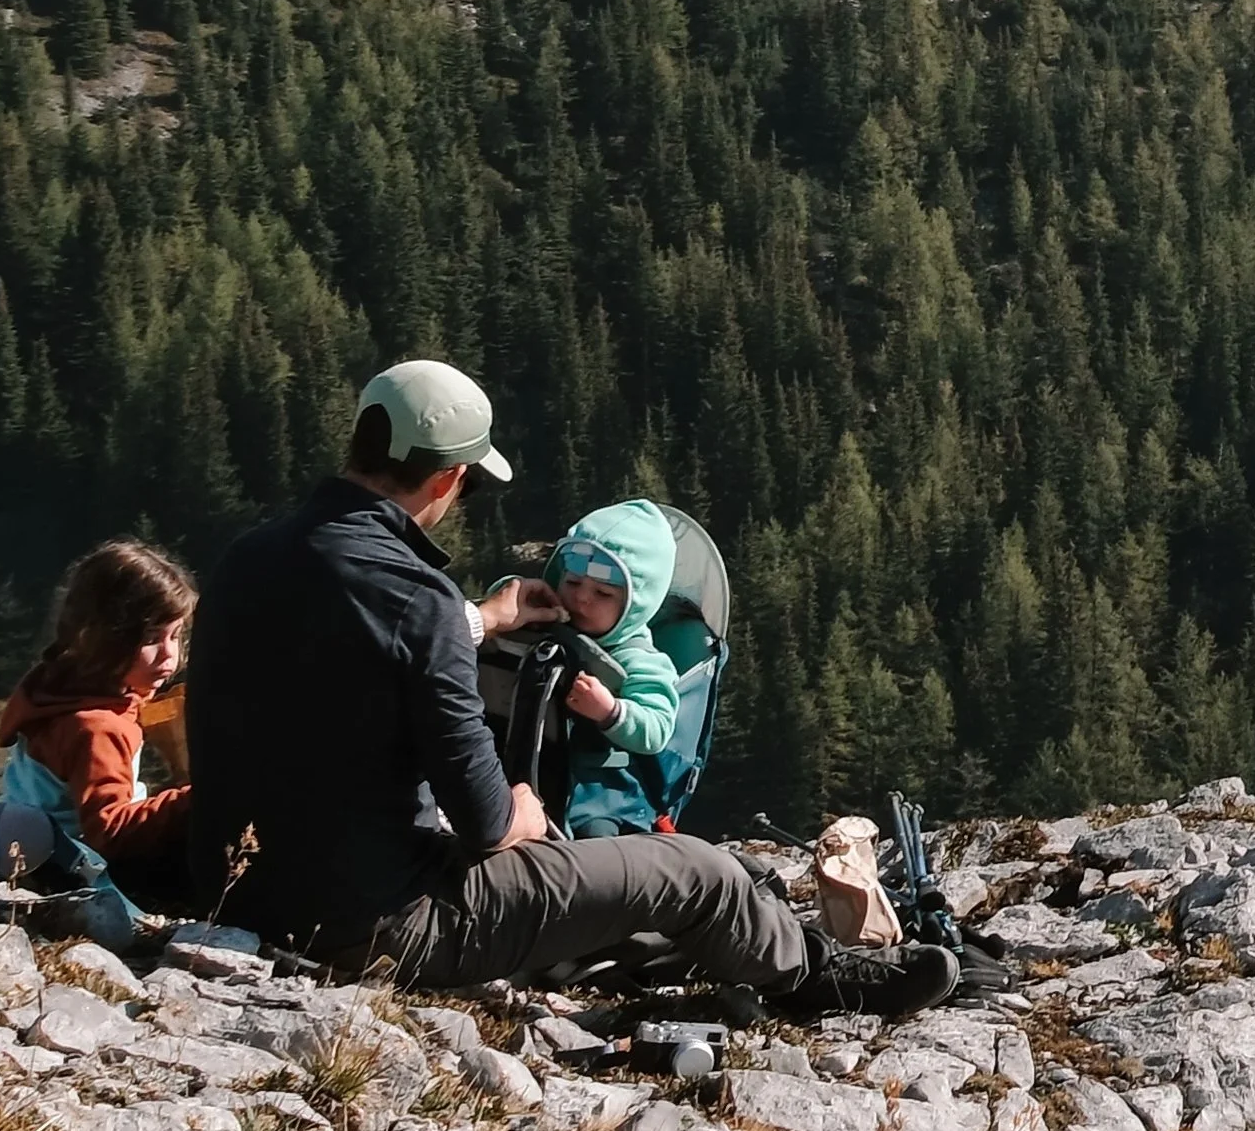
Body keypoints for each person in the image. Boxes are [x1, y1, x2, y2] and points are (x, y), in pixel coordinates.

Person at [188, 357, 956, 1015]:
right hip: (380, 924)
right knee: (700, 870)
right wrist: (521, 810)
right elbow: (486, 821)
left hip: (239, 893)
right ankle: (822, 979)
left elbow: (346, 646)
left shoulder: (248, 558)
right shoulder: (419, 598)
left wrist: (481, 620)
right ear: (449, 476)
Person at [0, 537, 195, 913]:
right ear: (104, 638)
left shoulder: (59, 686)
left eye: (176, 636)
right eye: (152, 639)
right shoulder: (97, 728)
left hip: (33, 852)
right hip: (75, 870)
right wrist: (192, 800)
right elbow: (110, 831)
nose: (170, 654)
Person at [544, 499, 683, 824]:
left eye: (603, 593)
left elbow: (657, 729)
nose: (581, 598)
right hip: (530, 774)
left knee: (594, 841)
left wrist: (610, 711)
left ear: (636, 604)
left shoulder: (640, 660)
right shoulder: (546, 621)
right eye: (572, 582)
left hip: (598, 798)